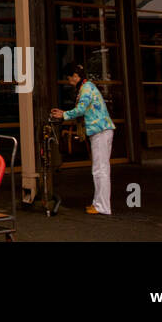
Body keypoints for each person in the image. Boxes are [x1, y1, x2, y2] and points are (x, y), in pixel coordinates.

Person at [51, 62, 116, 215]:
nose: (69, 81)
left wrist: (64, 114)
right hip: (101, 131)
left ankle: (103, 206)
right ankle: (99, 203)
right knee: (100, 169)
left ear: (75, 76)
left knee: (100, 170)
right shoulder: (87, 86)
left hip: (100, 132)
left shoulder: (86, 88)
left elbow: (81, 109)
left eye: (69, 78)